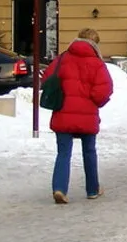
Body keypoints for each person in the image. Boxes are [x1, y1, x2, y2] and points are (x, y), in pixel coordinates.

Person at [45, 28, 113, 204]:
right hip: (87, 115)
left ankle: (59, 189)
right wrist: (93, 101)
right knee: (89, 152)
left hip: (63, 113)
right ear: (95, 44)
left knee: (63, 153)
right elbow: (104, 90)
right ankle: (92, 189)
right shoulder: (97, 64)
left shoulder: (62, 58)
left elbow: (47, 78)